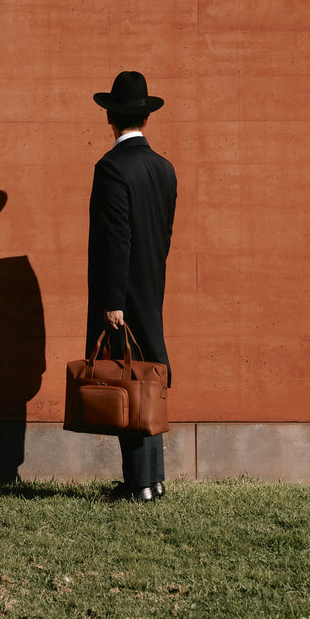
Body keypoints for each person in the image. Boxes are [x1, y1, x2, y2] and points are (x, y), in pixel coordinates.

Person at [87, 71, 177, 502]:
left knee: (129, 381)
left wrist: (112, 301)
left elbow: (115, 240)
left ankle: (138, 485)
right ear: (146, 116)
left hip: (122, 291)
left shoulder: (110, 168)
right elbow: (164, 236)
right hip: (151, 284)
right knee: (149, 376)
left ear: (110, 117)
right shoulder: (164, 168)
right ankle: (153, 480)